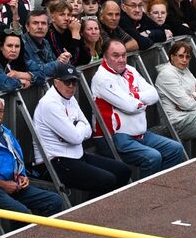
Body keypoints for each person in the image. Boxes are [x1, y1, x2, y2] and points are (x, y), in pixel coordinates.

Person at [33, 64, 131, 198]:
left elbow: (88, 129)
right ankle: (91, 216)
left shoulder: (70, 98)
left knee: (123, 171)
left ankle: (103, 211)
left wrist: (76, 127)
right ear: (56, 82)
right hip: (55, 162)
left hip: (76, 155)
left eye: (74, 82)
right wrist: (79, 126)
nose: (71, 86)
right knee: (106, 180)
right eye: (67, 82)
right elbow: (76, 138)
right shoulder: (49, 104)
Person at [91, 40, 184, 176]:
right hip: (114, 137)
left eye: (124, 55)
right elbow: (130, 106)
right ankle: (147, 195)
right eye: (115, 56)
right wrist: (140, 101)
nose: (121, 59)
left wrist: (133, 96)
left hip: (139, 133)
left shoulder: (130, 70)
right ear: (105, 57)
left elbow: (153, 94)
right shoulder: (102, 78)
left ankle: (164, 190)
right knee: (153, 157)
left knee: (175, 149)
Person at [0, 94, 65, 218]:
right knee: (22, 214)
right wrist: (1, 184)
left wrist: (22, 175)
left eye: (1, 111)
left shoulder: (5, 132)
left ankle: (46, 236)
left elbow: (18, 157)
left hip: (14, 184)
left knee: (55, 201)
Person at [47, 0, 92, 65]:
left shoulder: (71, 29)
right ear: (52, 17)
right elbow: (69, 63)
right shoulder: (50, 34)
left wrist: (76, 33)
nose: (66, 18)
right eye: (62, 15)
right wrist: (75, 36)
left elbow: (87, 59)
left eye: (69, 15)